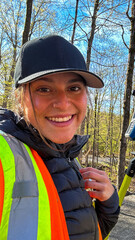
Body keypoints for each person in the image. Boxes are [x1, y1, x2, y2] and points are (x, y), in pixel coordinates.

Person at [0, 35, 120, 240]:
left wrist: (109, 205)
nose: (63, 103)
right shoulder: (5, 155)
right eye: (44, 89)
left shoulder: (65, 154)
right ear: (20, 98)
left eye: (74, 88)